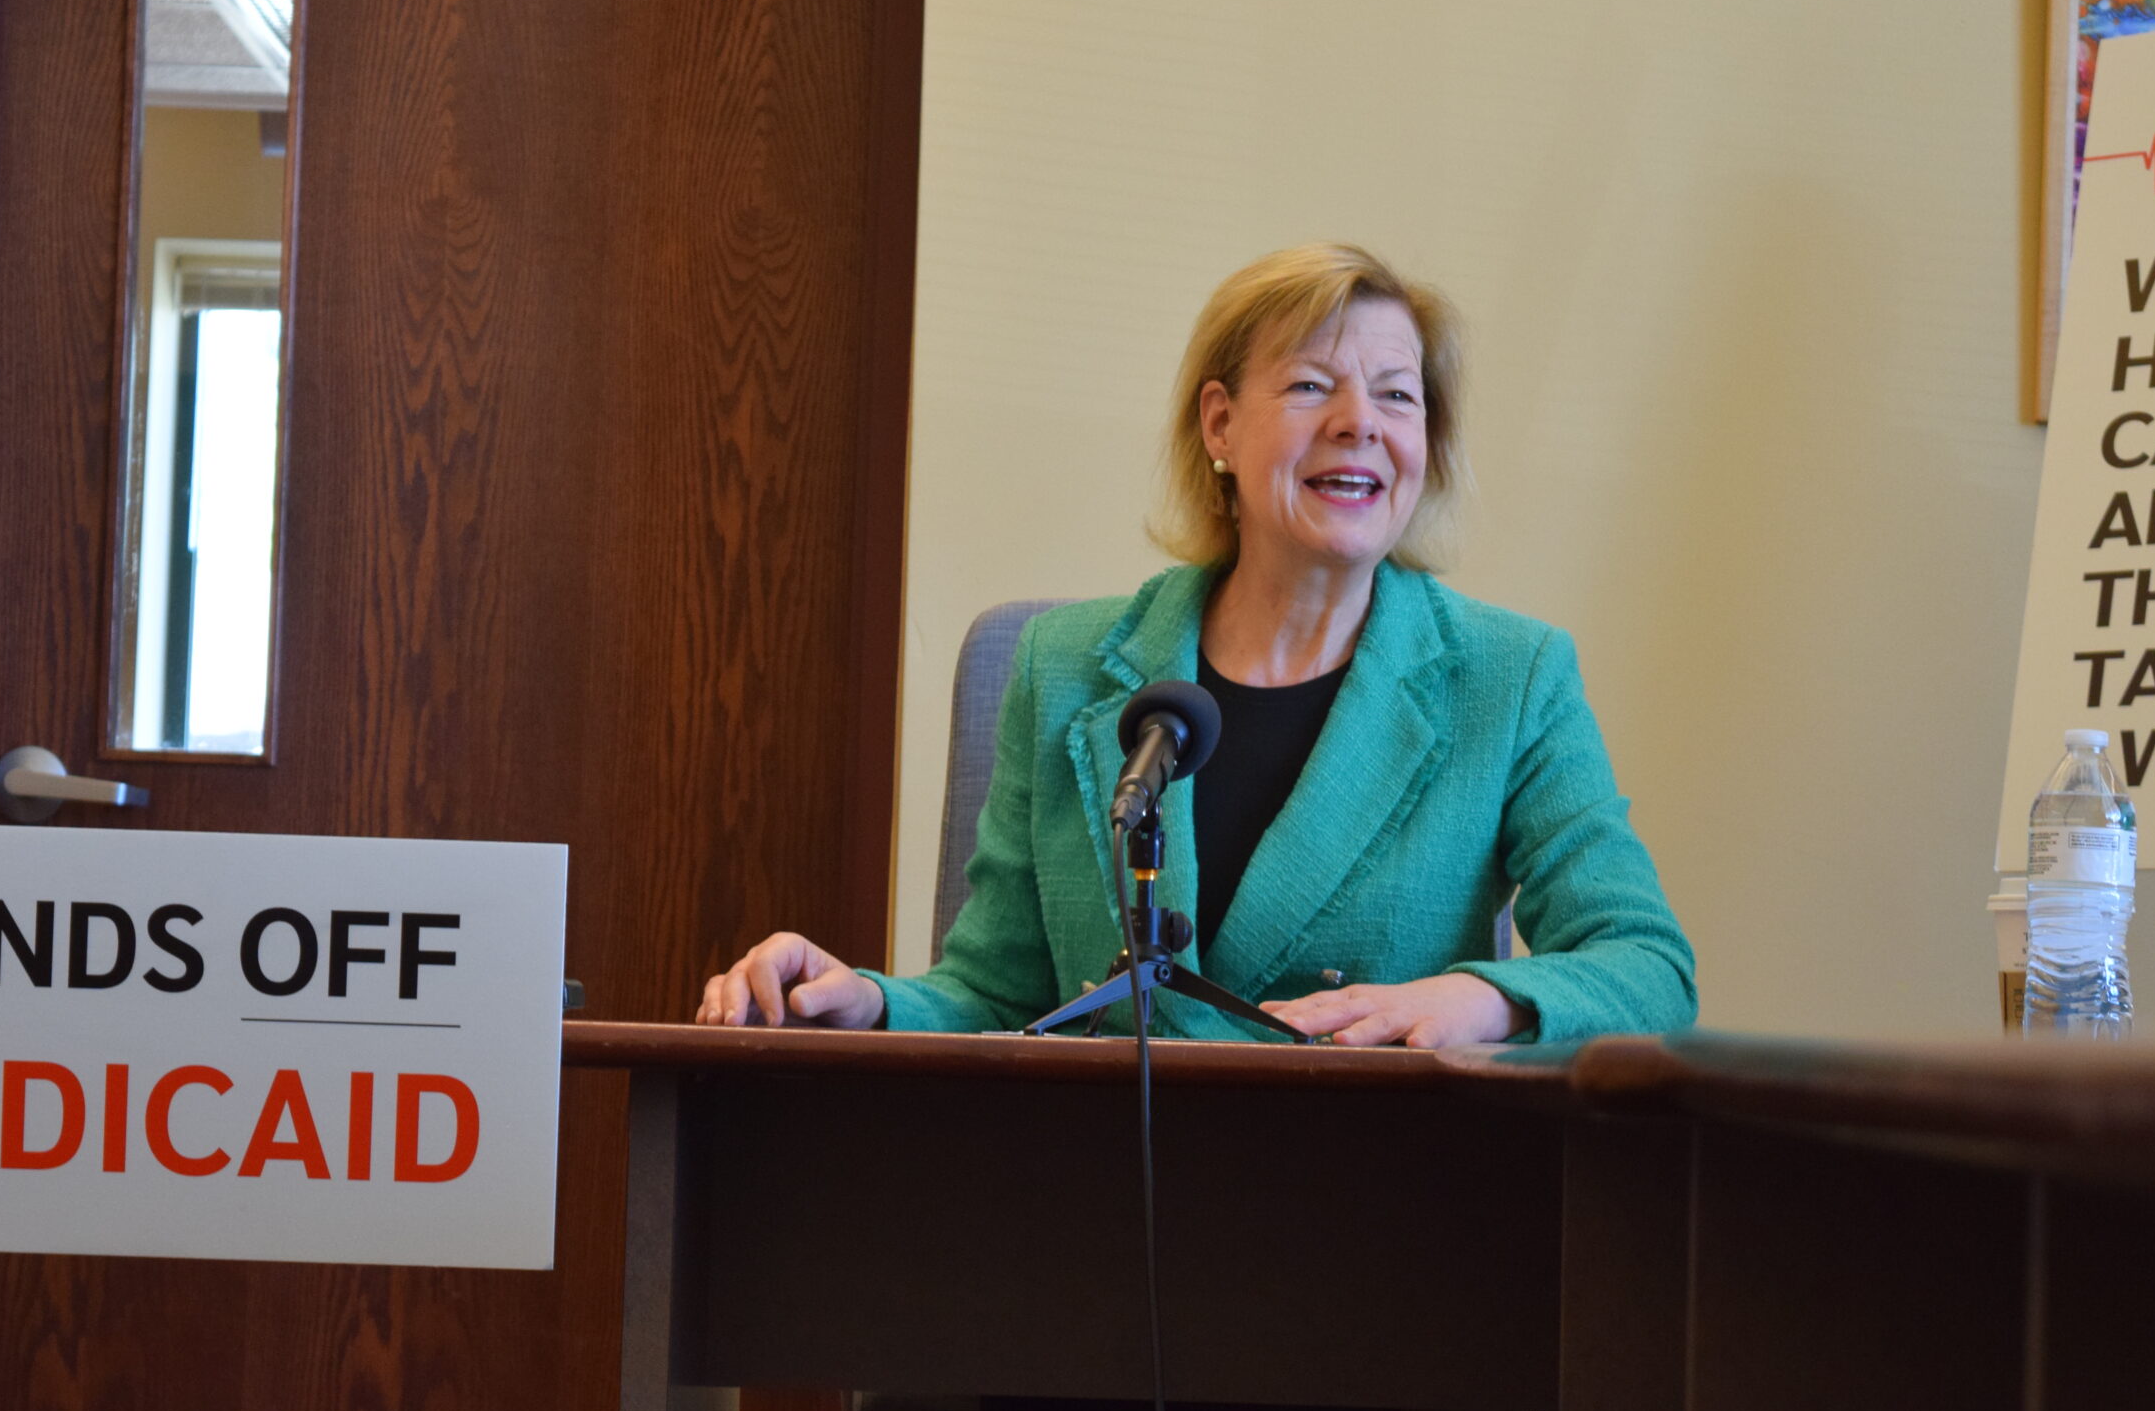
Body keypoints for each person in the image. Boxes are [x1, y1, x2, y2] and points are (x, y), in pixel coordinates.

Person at [702, 242, 1695, 1050]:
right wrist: (866, 1001)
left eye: (1397, 396)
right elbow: (998, 991)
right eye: (1312, 385)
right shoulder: (1061, 667)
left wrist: (1480, 1001)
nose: (1359, 425)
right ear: (1219, 423)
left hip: (1377, 1208)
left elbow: (1647, 968)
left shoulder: (1508, 677)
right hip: (1090, 1201)